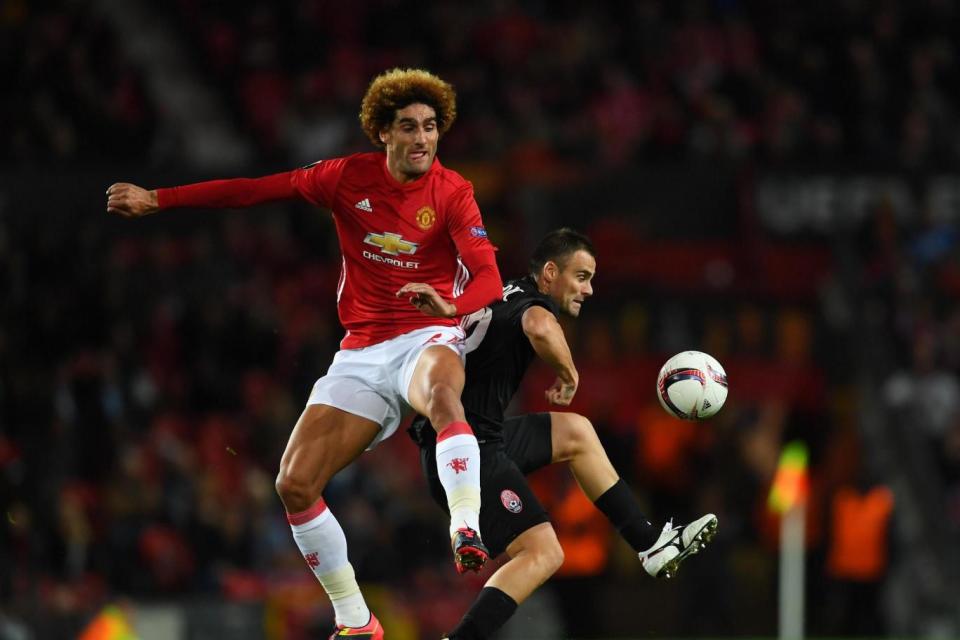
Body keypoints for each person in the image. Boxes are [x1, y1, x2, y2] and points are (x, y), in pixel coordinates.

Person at [106, 68, 503, 639]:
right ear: (383, 134)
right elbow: (252, 190)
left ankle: (466, 526)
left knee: (443, 393)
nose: (422, 138)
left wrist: (450, 306)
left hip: (429, 333)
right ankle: (356, 619)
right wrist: (160, 199)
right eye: (409, 127)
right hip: (361, 354)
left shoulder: (453, 192)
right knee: (293, 484)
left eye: (432, 127)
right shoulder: (344, 177)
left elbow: (489, 277)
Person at [408, 228, 719, 639]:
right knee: (544, 551)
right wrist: (569, 373)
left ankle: (648, 544)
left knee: (575, 431)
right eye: (582, 276)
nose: (589, 289)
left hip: (480, 438)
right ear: (550, 272)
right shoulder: (533, 305)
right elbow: (538, 325)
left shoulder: (507, 291)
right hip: (466, 455)